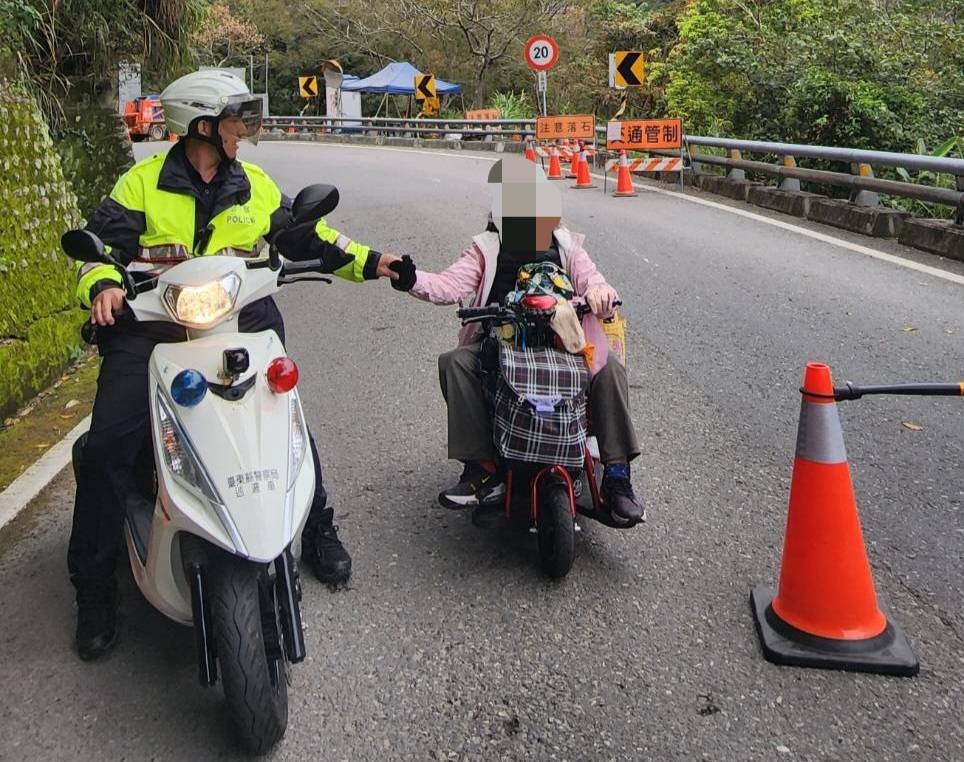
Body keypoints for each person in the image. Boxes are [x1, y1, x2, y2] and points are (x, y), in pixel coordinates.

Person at [69, 69, 401, 660]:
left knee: (284, 418)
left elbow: (310, 236)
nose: (241, 131)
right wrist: (103, 287)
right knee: (108, 444)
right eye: (232, 120)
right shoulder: (141, 184)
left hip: (241, 322)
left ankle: (317, 526)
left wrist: (376, 262)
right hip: (152, 329)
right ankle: (93, 586)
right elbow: (99, 248)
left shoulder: (254, 184)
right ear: (199, 124)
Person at [387, 156, 646, 525]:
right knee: (456, 362)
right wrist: (411, 279)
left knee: (610, 372)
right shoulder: (485, 249)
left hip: (563, 342)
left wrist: (601, 293)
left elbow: (594, 281)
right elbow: (449, 286)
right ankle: (480, 468)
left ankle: (617, 475)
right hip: (501, 342)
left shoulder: (568, 246)